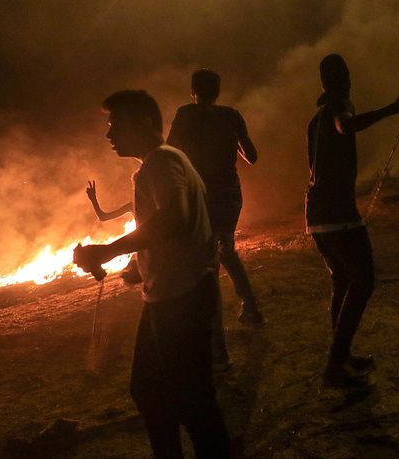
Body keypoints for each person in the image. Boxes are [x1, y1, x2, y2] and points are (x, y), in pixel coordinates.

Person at [73, 90, 232, 459]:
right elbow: (174, 225)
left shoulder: (160, 161)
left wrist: (107, 250)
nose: (109, 134)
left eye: (115, 124)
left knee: (192, 402)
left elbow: (174, 217)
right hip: (169, 294)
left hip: (181, 298)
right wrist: (136, 266)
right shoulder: (165, 161)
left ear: (144, 122)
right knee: (151, 393)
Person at [307, 54, 399, 387]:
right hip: (337, 213)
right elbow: (346, 125)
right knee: (364, 280)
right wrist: (393, 108)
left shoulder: (315, 118)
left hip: (316, 213)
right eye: (345, 75)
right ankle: (335, 363)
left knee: (343, 280)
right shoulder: (341, 107)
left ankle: (341, 356)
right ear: (340, 81)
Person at [167, 69, 264, 372]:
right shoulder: (232, 115)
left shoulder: (185, 114)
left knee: (207, 264)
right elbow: (252, 156)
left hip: (204, 196)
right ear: (218, 92)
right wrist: (231, 140)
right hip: (230, 196)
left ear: (192, 91)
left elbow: (169, 151)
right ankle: (250, 306)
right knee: (224, 250)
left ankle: (218, 352)